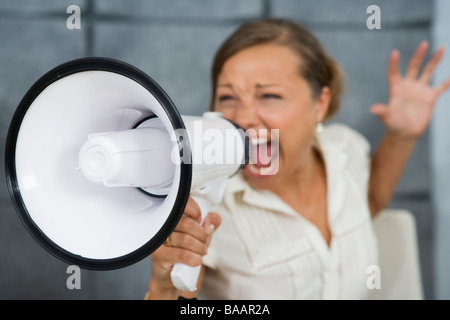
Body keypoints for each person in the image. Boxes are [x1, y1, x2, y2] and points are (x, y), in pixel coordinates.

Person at [145, 18, 450, 300]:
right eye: (227, 97)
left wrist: (402, 135)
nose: (243, 118)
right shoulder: (203, 205)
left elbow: (368, 201)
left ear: (320, 104)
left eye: (269, 96)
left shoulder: (346, 148)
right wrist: (162, 285)